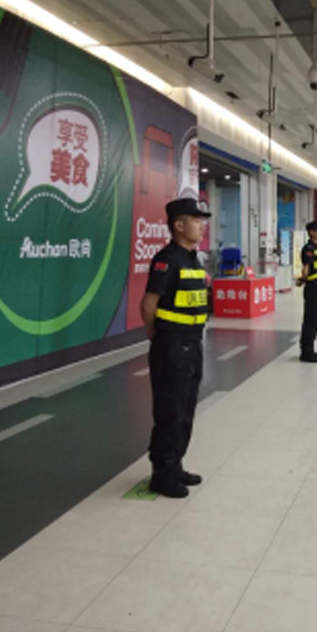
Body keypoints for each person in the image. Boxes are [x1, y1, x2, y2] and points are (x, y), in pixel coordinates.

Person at [140, 197, 211, 499]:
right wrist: (158, 336)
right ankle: (162, 474)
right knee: (170, 410)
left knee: (185, 408)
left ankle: (175, 464)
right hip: (171, 345)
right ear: (179, 225)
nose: (201, 225)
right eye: (195, 220)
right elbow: (148, 305)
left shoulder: (193, 259)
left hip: (192, 344)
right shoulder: (166, 260)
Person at [298, 220, 317, 363]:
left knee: (316, 319)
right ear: (311, 232)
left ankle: (310, 348)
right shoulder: (308, 248)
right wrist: (303, 279)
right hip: (313, 288)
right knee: (310, 320)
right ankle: (306, 351)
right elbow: (306, 269)